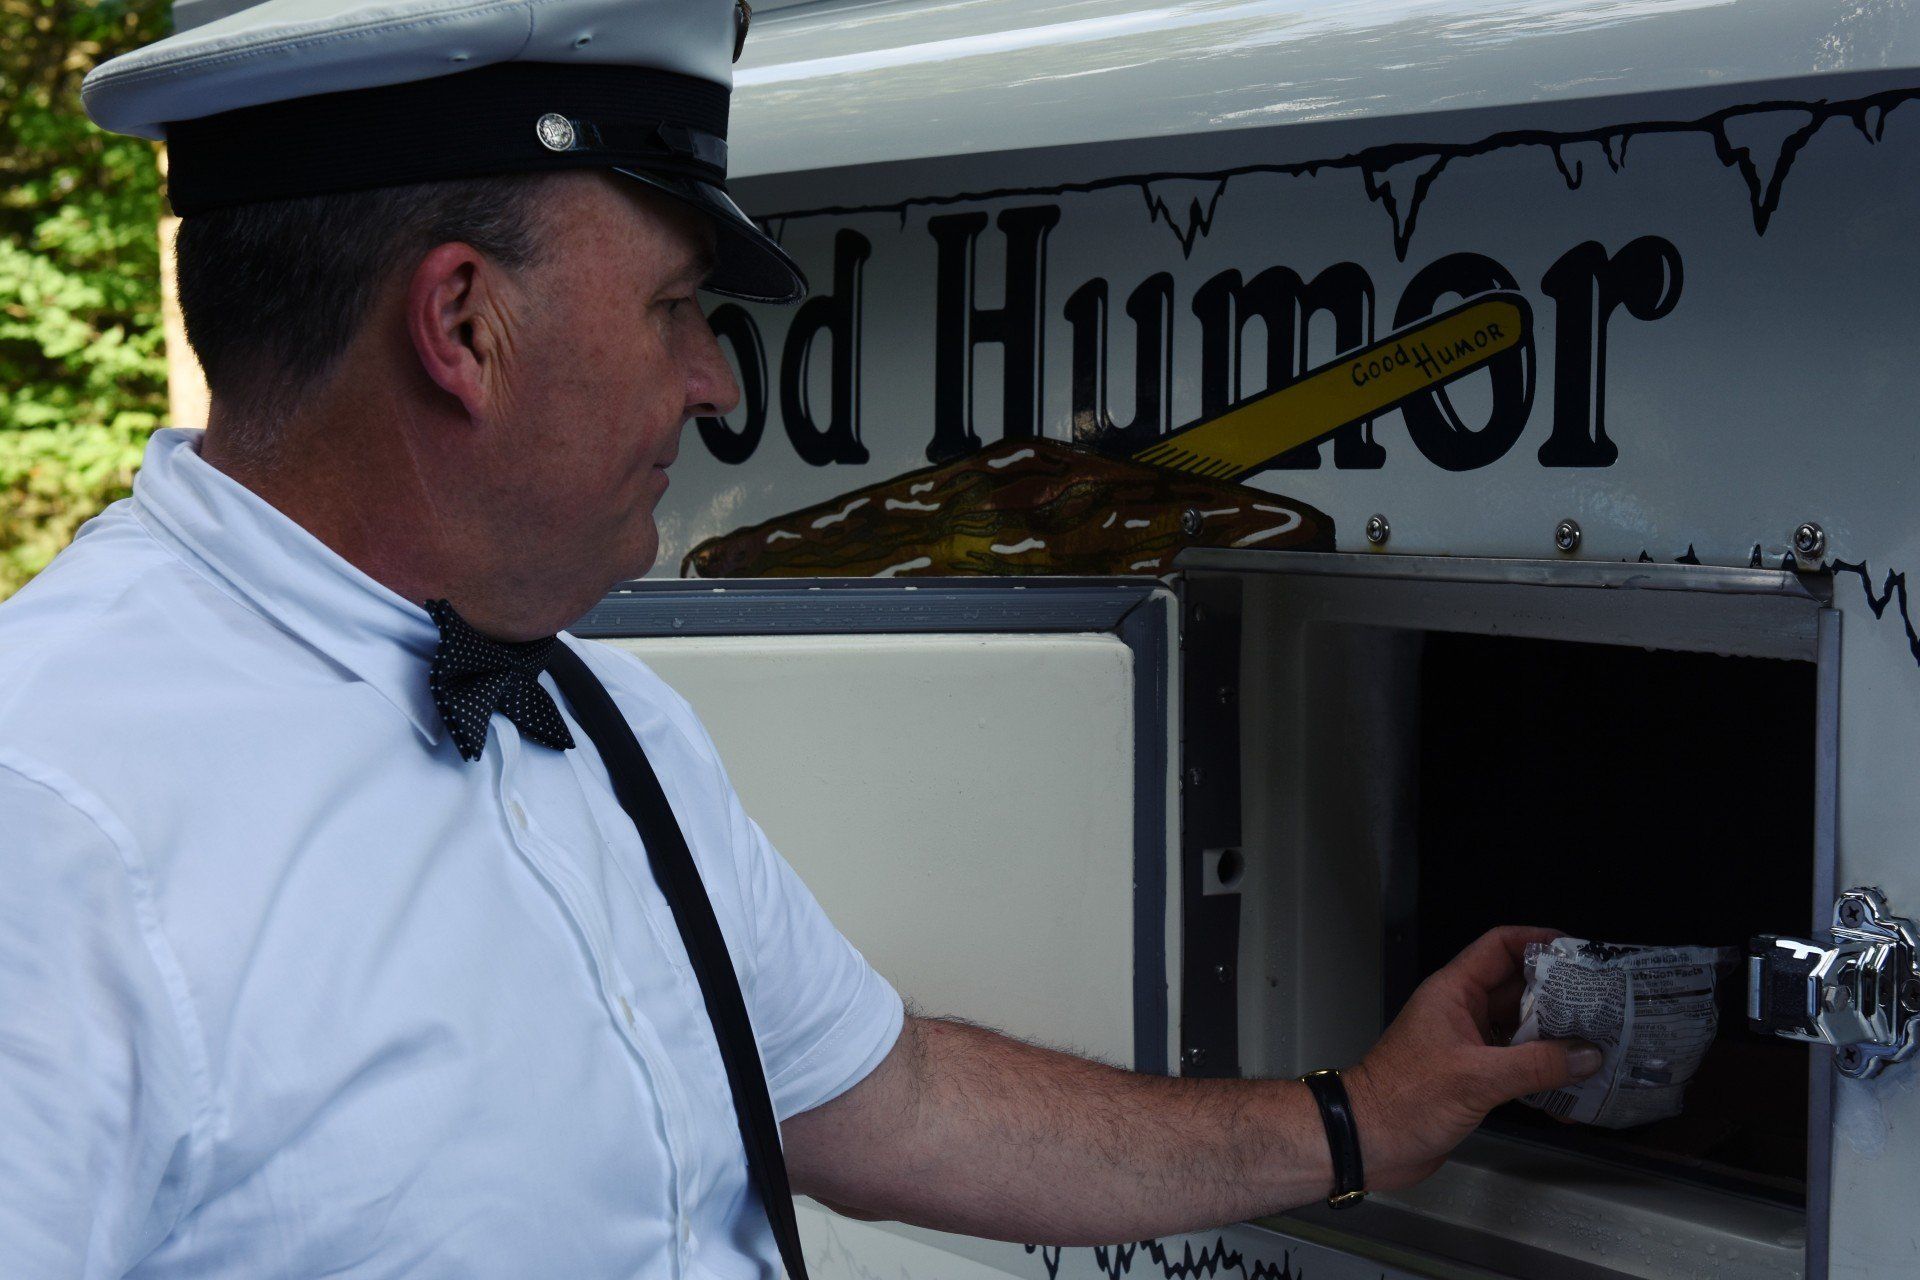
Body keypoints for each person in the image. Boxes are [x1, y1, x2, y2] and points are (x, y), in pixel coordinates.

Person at [0, 1, 1600, 1275]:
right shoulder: (52, 811)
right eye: (677, 310)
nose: (715, 386)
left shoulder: (610, 725)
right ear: (463, 325)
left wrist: (1355, 1123)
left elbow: (888, 1101)